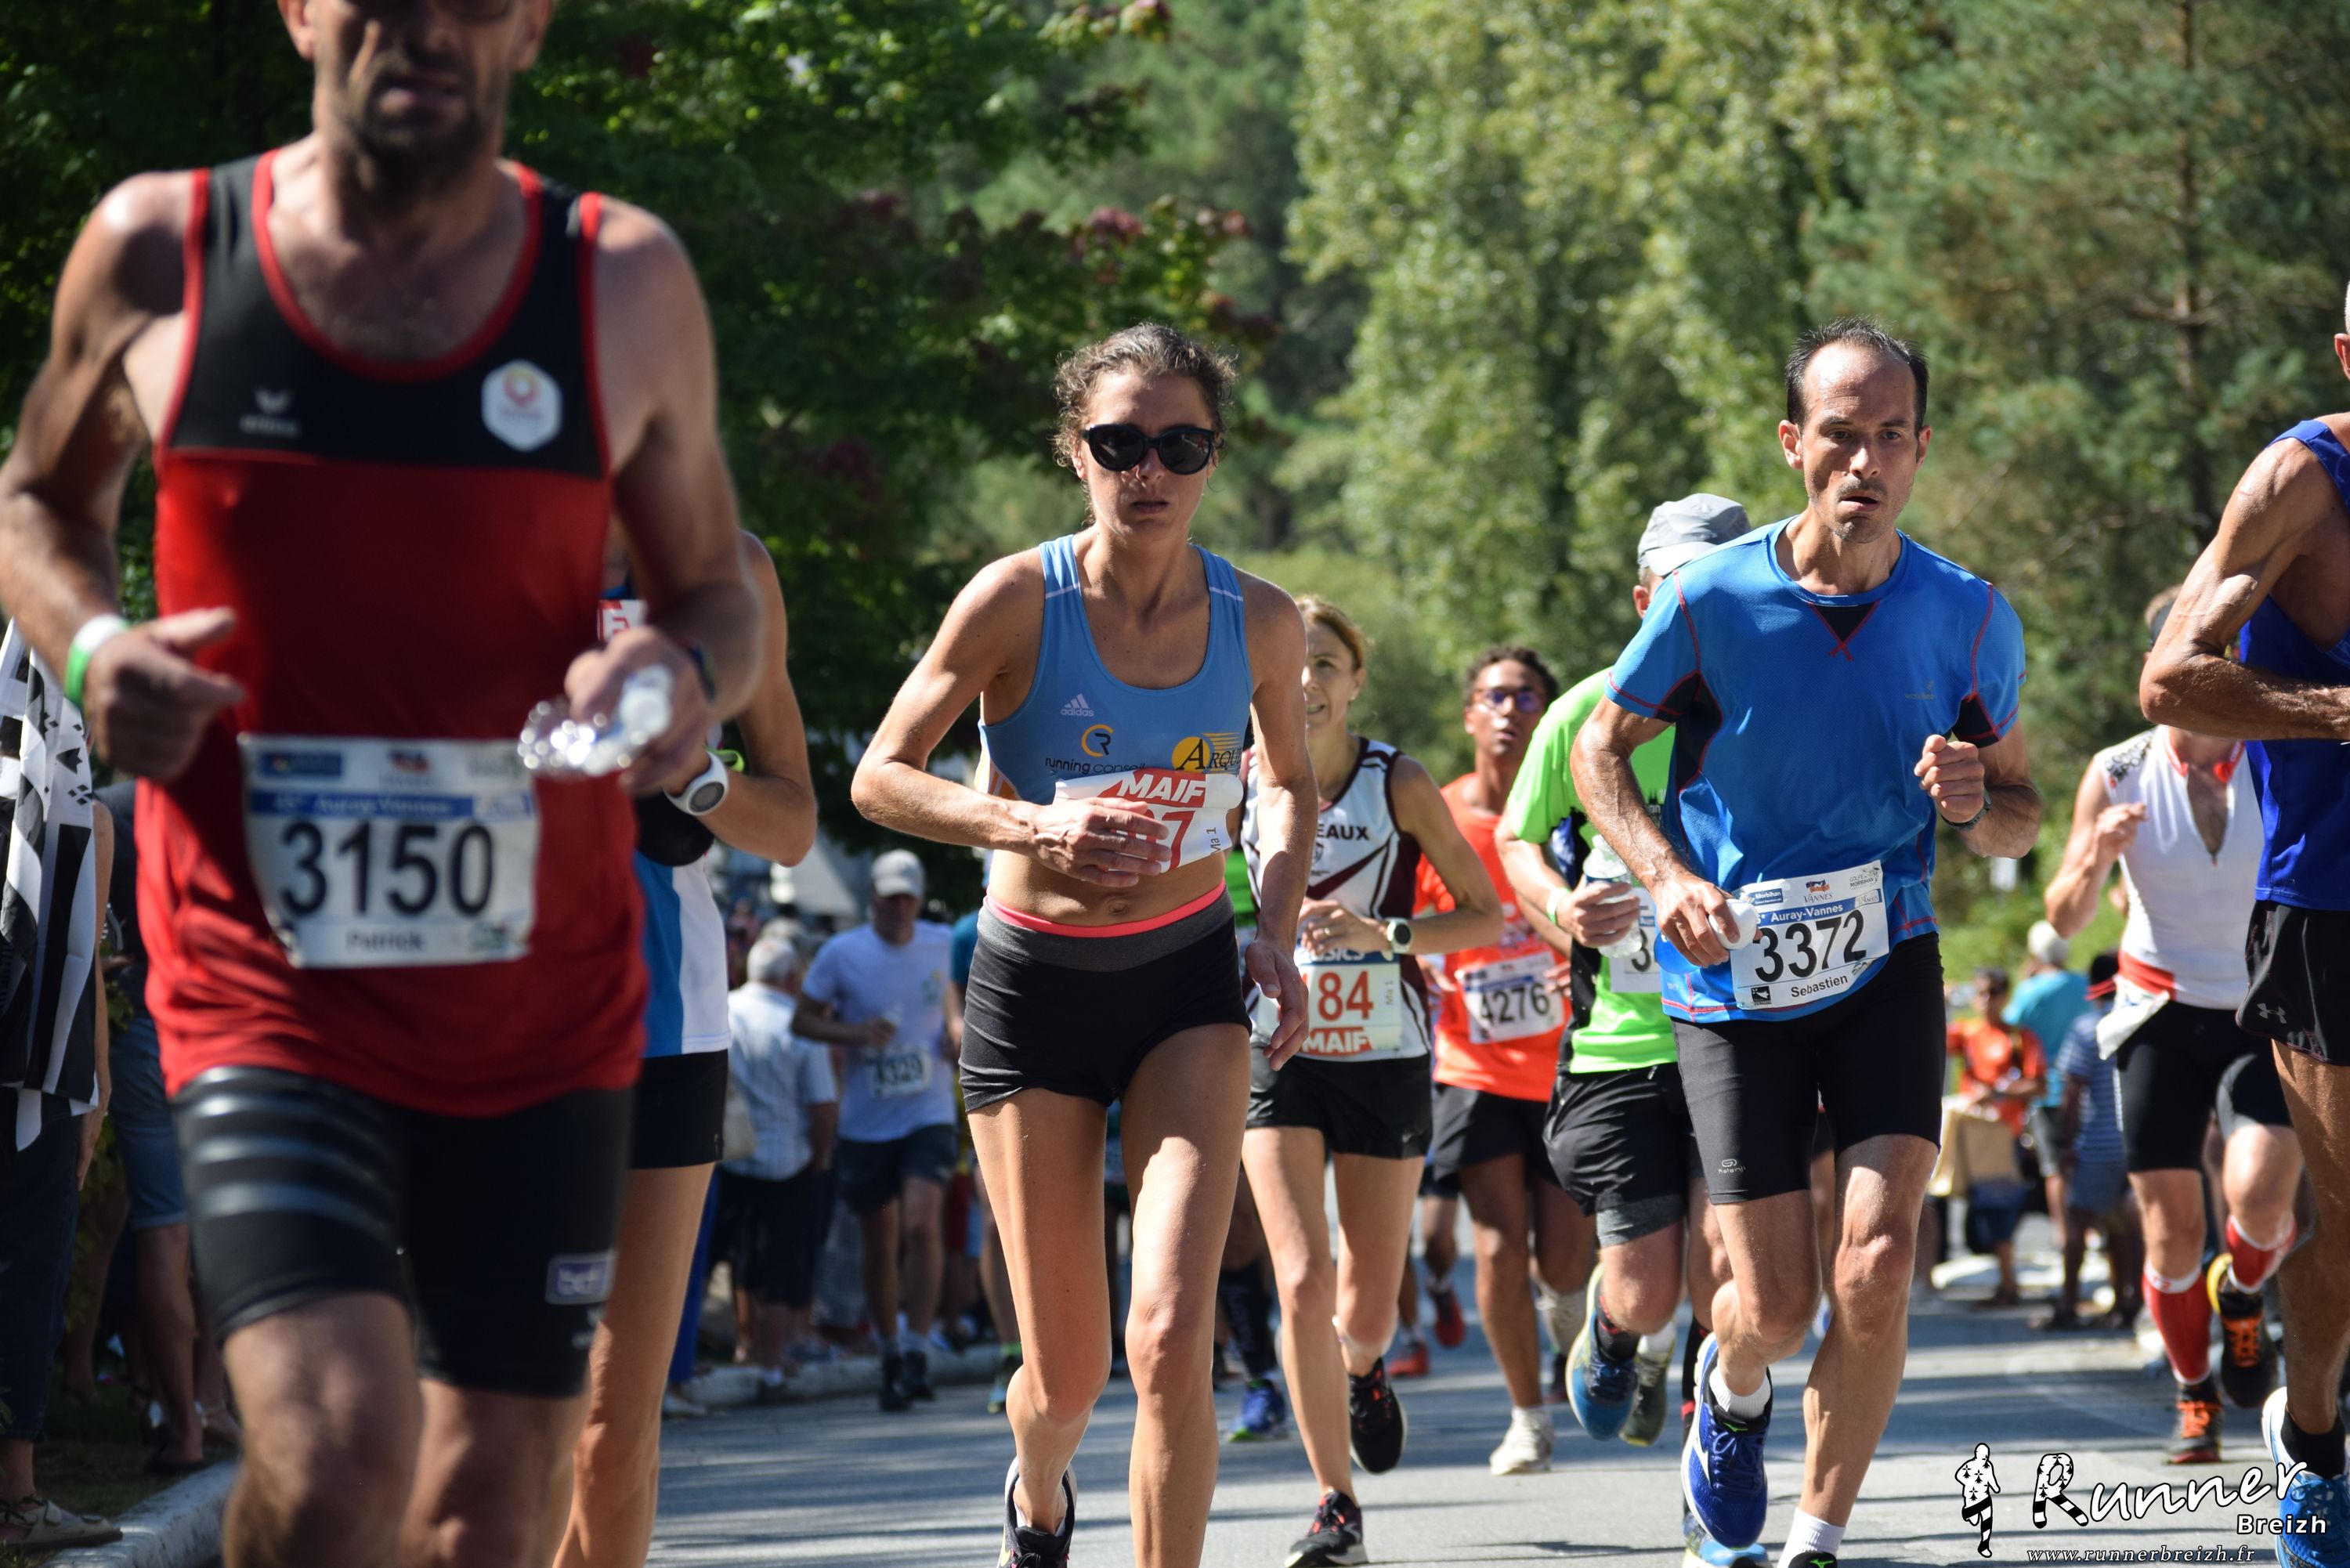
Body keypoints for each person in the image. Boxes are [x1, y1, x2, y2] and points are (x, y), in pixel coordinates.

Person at [0, 1, 768, 1559]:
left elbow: (719, 593)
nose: (425, 26)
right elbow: (38, 504)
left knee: (491, 1509)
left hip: (541, 999)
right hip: (267, 981)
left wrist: (675, 676)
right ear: (300, 9)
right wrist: (93, 649)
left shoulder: (618, 279)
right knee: (340, 1454)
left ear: (529, 24)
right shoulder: (162, 248)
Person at [1571, 319, 2039, 1568]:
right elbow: (1598, 750)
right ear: (1793, 443)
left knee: (1877, 1262)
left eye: (1890, 436)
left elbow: (2017, 810)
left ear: (1921, 447)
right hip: (1731, 973)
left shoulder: (1971, 616)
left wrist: (1975, 802)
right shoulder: (1709, 601)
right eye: (1840, 434)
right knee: (1774, 1306)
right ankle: (1731, 1391)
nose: (1864, 462)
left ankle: (1817, 1534)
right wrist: (1665, 876)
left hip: (1888, 956)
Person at [848, 322, 1312, 1568]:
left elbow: (1287, 782)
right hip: (1033, 992)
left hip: (1185, 985)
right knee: (1064, 1378)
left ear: (1214, 456)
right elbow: (880, 776)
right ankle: (1041, 1491)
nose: (1149, 470)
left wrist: (1273, 930)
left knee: (1169, 1338)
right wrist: (1029, 823)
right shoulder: (1016, 599)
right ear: (1076, 451)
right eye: (1120, 444)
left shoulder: (1260, 620)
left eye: (1181, 445)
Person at [1495, 492, 1755, 1566]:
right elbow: (1515, 838)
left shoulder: (1771, 703)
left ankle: (1711, 1492)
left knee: (1728, 1276)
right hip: (1622, 1048)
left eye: (1715, 589)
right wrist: (1563, 906)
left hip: (1746, 1032)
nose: (1692, 610)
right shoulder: (1585, 713)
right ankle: (1612, 1338)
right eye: (1674, 592)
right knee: (1646, 1287)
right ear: (1645, 599)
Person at [558, 526, 814, 1568]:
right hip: (487, 1021)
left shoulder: (730, 570)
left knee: (614, 1423)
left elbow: (792, 825)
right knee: (506, 1404)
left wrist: (699, 779)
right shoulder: (470, 528)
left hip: (667, 1019)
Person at [1240, 594, 1503, 1567]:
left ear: (1355, 681)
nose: (1306, 682)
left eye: (1325, 663)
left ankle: (1362, 1366)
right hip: (1277, 1051)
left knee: (1366, 1306)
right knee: (1301, 1278)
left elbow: (1482, 915)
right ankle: (1333, 1503)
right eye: (1292, 663)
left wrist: (1382, 932)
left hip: (1384, 1049)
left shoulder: (1398, 780)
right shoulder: (1235, 777)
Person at [2142, 340, 2350, 1563]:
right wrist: (2341, 712)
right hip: (2331, 903)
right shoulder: (2299, 483)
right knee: (2347, 1221)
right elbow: (2172, 681)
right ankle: (2315, 1437)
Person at [2060, 592, 2287, 1468]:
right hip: (2157, 1011)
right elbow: (2065, 916)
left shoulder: (2277, 754)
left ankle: (2245, 1294)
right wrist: (2095, 855)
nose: (2209, 680)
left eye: (2221, 662)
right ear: (2159, 673)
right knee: (2170, 1232)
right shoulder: (2118, 771)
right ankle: (2196, 1395)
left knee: (2260, 1196)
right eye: (2191, 663)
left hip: (2260, 1009)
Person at [1416, 643, 1589, 1476]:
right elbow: (1411, 918)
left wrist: (1578, 954)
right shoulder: (1438, 815)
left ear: (1548, 715)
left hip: (1569, 1060)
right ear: (1468, 715)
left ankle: (1569, 1321)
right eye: (1494, 696)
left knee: (1565, 1260)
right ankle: (1527, 1418)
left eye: (1527, 697)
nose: (1509, 711)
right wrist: (1423, 959)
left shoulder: (1574, 804)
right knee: (1494, 1246)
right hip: (1474, 1060)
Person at [95, 779, 238, 1472]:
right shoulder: (228, 801)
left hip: (136, 1026)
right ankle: (211, 1401)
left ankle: (181, 1428)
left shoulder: (106, 809)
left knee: (162, 1228)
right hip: (217, 1027)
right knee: (224, 1222)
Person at [793, 849, 962, 1411]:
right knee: (879, 1241)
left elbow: (958, 995)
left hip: (928, 1111)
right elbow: (802, 1019)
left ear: (919, 899)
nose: (898, 908)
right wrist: (855, 1034)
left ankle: (918, 1348)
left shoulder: (941, 942)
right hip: (867, 1122)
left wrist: (957, 1030)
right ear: (872, 898)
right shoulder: (842, 952)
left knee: (921, 1224)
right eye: (889, 898)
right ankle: (890, 1349)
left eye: (907, 898)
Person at [0, 757, 117, 1550]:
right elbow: (86, 967)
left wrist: (95, 1084)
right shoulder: (80, 814)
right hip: (39, 1075)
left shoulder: (87, 816)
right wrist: (94, 1087)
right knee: (28, 1271)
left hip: (46, 1075)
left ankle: (17, 1492)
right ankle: (15, 1494)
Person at [716, 930, 837, 1395]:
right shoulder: (799, 1024)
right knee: (783, 1265)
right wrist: (819, 1158)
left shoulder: (725, 1009)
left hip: (733, 1156)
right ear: (791, 977)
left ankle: (745, 1347)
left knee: (742, 1258)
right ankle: (772, 1364)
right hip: (789, 1161)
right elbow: (822, 1107)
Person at [2043, 952, 2143, 1334]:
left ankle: (2068, 1304)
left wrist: (2065, 1142)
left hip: (2098, 1145)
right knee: (2125, 1228)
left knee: (2077, 1225)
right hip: (2135, 1143)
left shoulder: (2087, 1029)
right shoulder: (2140, 1023)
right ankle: (2129, 1302)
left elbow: (2072, 1091)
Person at [1943, 967, 2044, 1309]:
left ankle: (2008, 1285)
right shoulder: (1967, 1032)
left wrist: (1998, 1091)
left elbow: (2038, 1084)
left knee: (1999, 1210)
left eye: (1993, 993)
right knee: (1977, 1209)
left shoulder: (2018, 1037)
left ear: (2005, 996)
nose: (1986, 1000)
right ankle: (2006, 1282)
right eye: (1980, 993)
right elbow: (1929, 1038)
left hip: (2004, 1134)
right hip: (1972, 1134)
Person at [2008, 921, 2091, 1241]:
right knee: (2085, 1161)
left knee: (2054, 1168)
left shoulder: (2031, 990)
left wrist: (2025, 981)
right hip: (2084, 1087)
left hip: (2045, 1089)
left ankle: (2064, 1236)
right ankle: (2089, 1232)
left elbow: (2011, 1024)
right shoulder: (2083, 984)